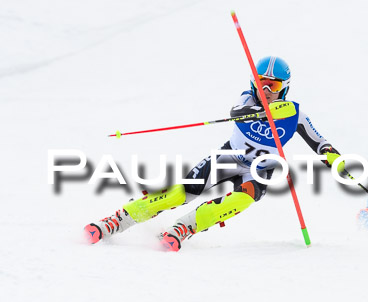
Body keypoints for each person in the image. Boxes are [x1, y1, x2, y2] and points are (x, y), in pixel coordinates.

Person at [84, 56, 344, 251]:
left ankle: (183, 227)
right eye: (260, 84)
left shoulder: (295, 114)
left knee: (241, 200)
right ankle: (116, 221)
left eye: (272, 87)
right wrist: (264, 111)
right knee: (179, 194)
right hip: (228, 157)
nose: (265, 91)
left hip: (260, 170)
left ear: (285, 88)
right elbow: (237, 113)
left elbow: (320, 144)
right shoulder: (248, 99)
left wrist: (337, 162)